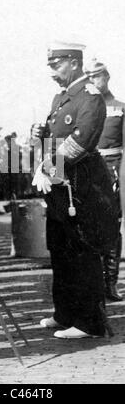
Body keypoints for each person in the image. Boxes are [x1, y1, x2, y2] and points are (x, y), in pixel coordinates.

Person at [32, 40, 119, 339]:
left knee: (82, 251)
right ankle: (65, 313)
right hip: (60, 186)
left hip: (81, 186)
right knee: (60, 250)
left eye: (56, 66)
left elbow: (81, 141)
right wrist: (39, 137)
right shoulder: (62, 98)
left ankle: (89, 322)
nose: (52, 73)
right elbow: (55, 137)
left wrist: (47, 164)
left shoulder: (90, 97)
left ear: (73, 63)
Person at [84, 58, 124, 301]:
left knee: (111, 228)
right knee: (86, 227)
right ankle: (92, 283)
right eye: (88, 76)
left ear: (106, 77)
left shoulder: (120, 107)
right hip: (86, 171)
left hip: (112, 172)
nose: (93, 80)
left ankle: (110, 283)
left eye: (96, 75)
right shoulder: (82, 107)